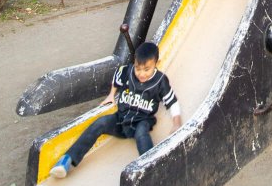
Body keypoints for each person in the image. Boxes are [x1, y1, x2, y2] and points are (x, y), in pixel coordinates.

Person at [49, 41, 181, 178]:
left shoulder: (160, 81)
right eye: (138, 68)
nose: (141, 73)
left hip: (141, 120)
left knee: (142, 133)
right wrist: (111, 95)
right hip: (121, 119)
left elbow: (172, 102)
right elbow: (117, 77)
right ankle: (67, 160)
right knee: (100, 123)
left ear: (156, 64)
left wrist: (176, 122)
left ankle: (151, 166)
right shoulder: (128, 71)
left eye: (146, 69)